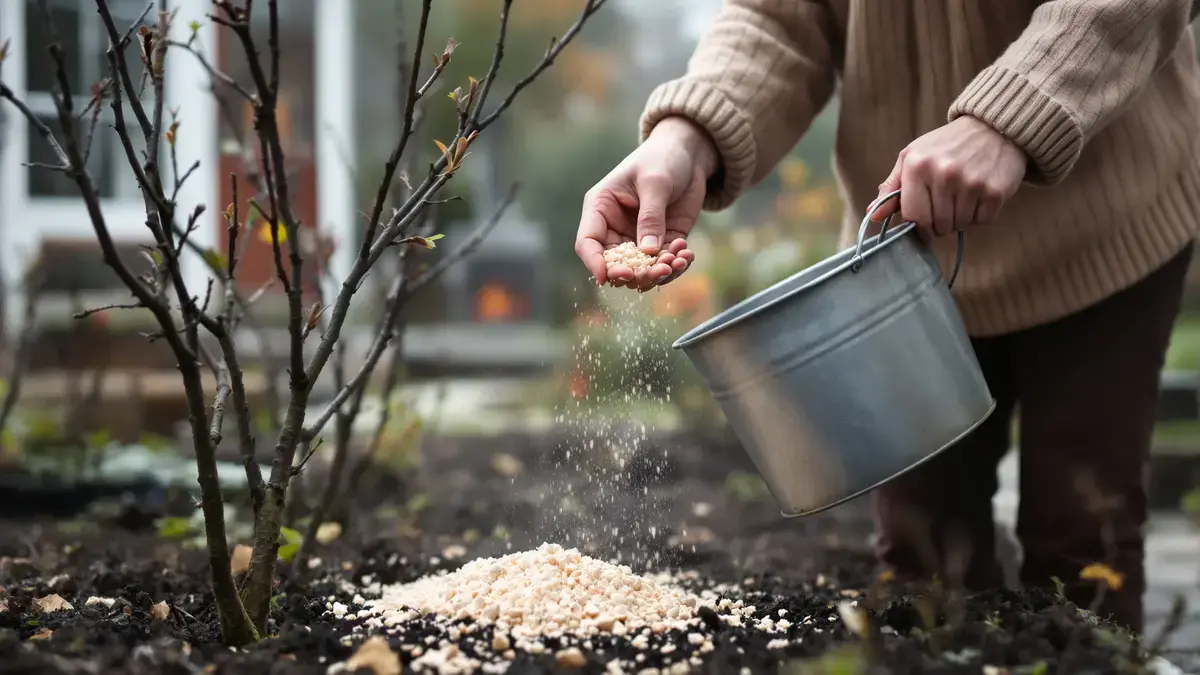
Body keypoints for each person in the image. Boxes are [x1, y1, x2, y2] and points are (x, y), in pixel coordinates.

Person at [575, 0, 1200, 634]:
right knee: (923, 561)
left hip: (1102, 225)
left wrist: (1013, 114)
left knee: (1082, 544)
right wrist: (687, 136)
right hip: (901, 256)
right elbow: (778, 18)